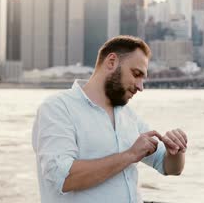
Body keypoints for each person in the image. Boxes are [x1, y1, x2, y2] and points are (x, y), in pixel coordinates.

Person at [32, 35, 187, 203]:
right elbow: (63, 177)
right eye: (136, 74)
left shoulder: (129, 116)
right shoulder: (57, 108)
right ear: (111, 62)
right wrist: (130, 155)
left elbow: (169, 167)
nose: (140, 87)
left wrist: (176, 152)